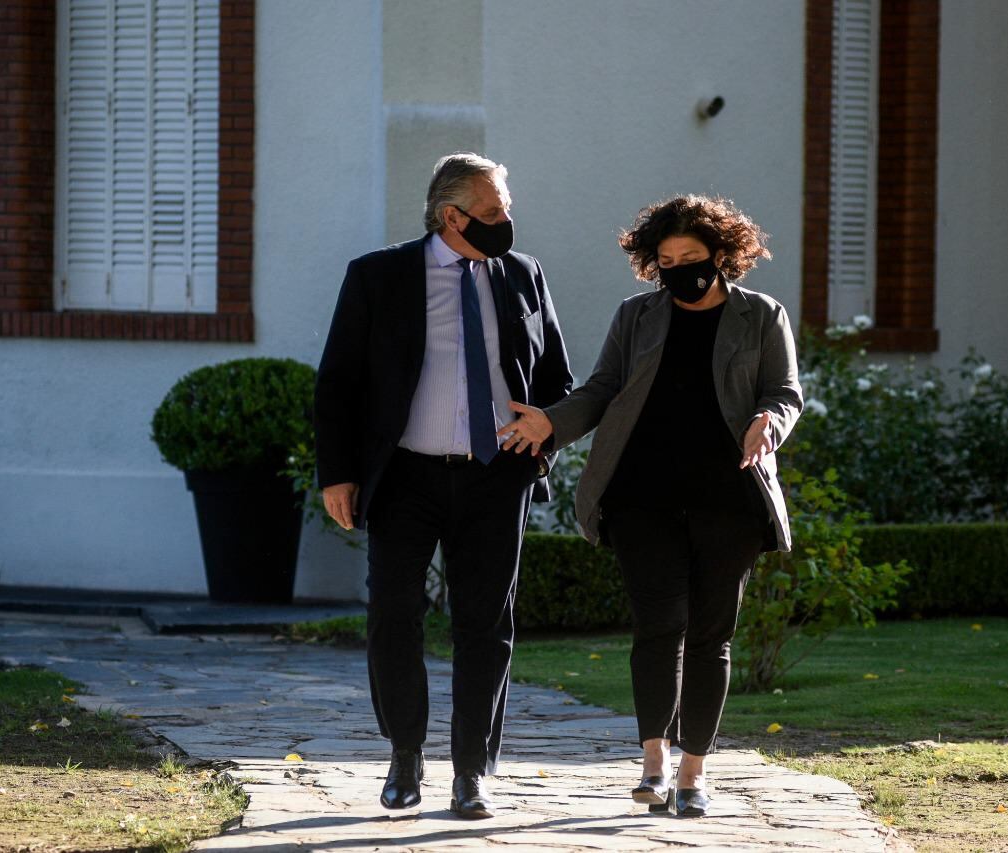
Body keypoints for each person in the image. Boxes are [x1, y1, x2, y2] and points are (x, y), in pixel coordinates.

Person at [498, 195, 802, 817]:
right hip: (642, 496)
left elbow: (786, 392)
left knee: (712, 634)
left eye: (690, 257)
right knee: (658, 626)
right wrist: (549, 425)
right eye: (664, 259)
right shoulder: (637, 316)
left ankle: (695, 771)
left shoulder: (762, 316)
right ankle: (654, 763)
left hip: (729, 499)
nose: (677, 269)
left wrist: (769, 421)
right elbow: (603, 389)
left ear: (722, 255)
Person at [314, 152, 573, 819]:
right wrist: (338, 474)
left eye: (505, 207)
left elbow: (557, 383)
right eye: (492, 211)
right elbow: (339, 380)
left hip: (496, 476)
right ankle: (405, 754)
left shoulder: (524, 275)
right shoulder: (378, 276)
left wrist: (546, 431)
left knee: (486, 625)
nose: (506, 220)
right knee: (392, 615)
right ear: (451, 215)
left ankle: (472, 772)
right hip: (405, 475)